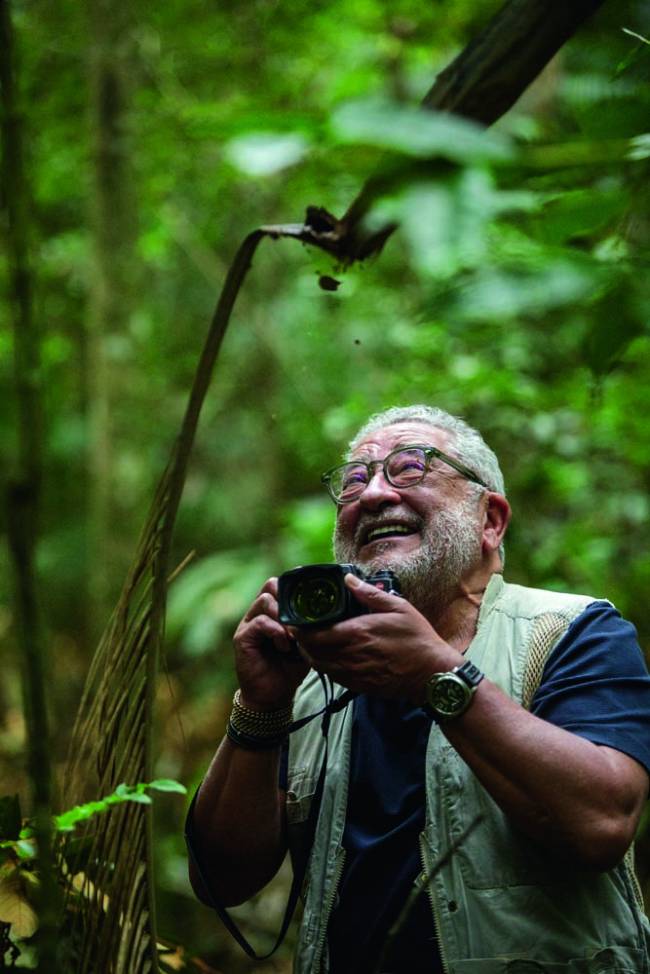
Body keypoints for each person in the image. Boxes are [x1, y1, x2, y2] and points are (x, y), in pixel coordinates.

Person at [186, 404, 650, 974]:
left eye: (411, 468)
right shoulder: (316, 679)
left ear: (490, 521)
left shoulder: (571, 631)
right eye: (355, 479)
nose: (373, 494)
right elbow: (221, 879)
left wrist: (436, 676)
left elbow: (602, 825)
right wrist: (261, 705)